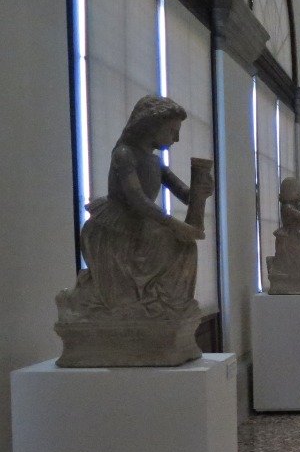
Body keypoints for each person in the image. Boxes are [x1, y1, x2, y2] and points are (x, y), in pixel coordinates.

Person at [62, 95, 204, 319]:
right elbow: (137, 199)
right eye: (171, 131)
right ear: (151, 126)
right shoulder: (124, 154)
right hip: (116, 229)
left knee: (186, 247)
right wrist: (175, 225)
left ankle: (164, 301)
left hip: (143, 226)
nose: (176, 139)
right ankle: (149, 299)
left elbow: (185, 194)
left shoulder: (155, 162)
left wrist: (200, 190)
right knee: (172, 242)